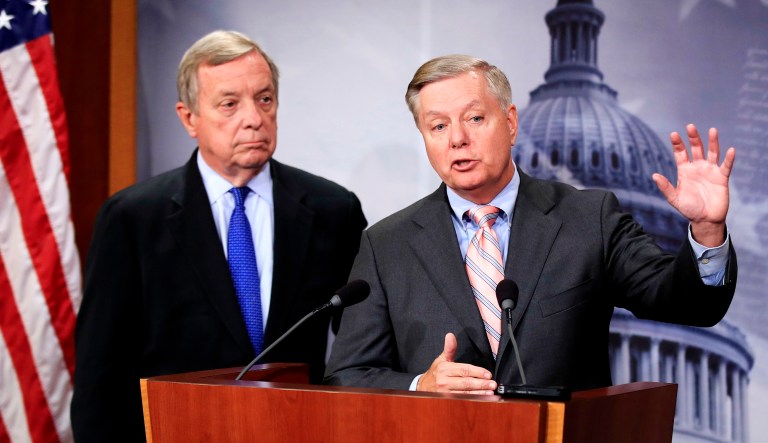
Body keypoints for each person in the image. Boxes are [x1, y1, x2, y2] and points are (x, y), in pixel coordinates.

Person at [324, 54, 736, 395]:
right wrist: (420, 385)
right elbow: (347, 376)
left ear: (511, 122)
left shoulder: (589, 219)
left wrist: (706, 230)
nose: (457, 139)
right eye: (438, 126)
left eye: (475, 119)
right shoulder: (386, 246)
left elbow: (687, 303)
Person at [71, 30, 367, 441]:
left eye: (264, 99)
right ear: (188, 118)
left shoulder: (333, 209)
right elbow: (99, 380)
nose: (254, 118)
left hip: (297, 430)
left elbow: (365, 350)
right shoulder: (133, 218)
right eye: (230, 104)